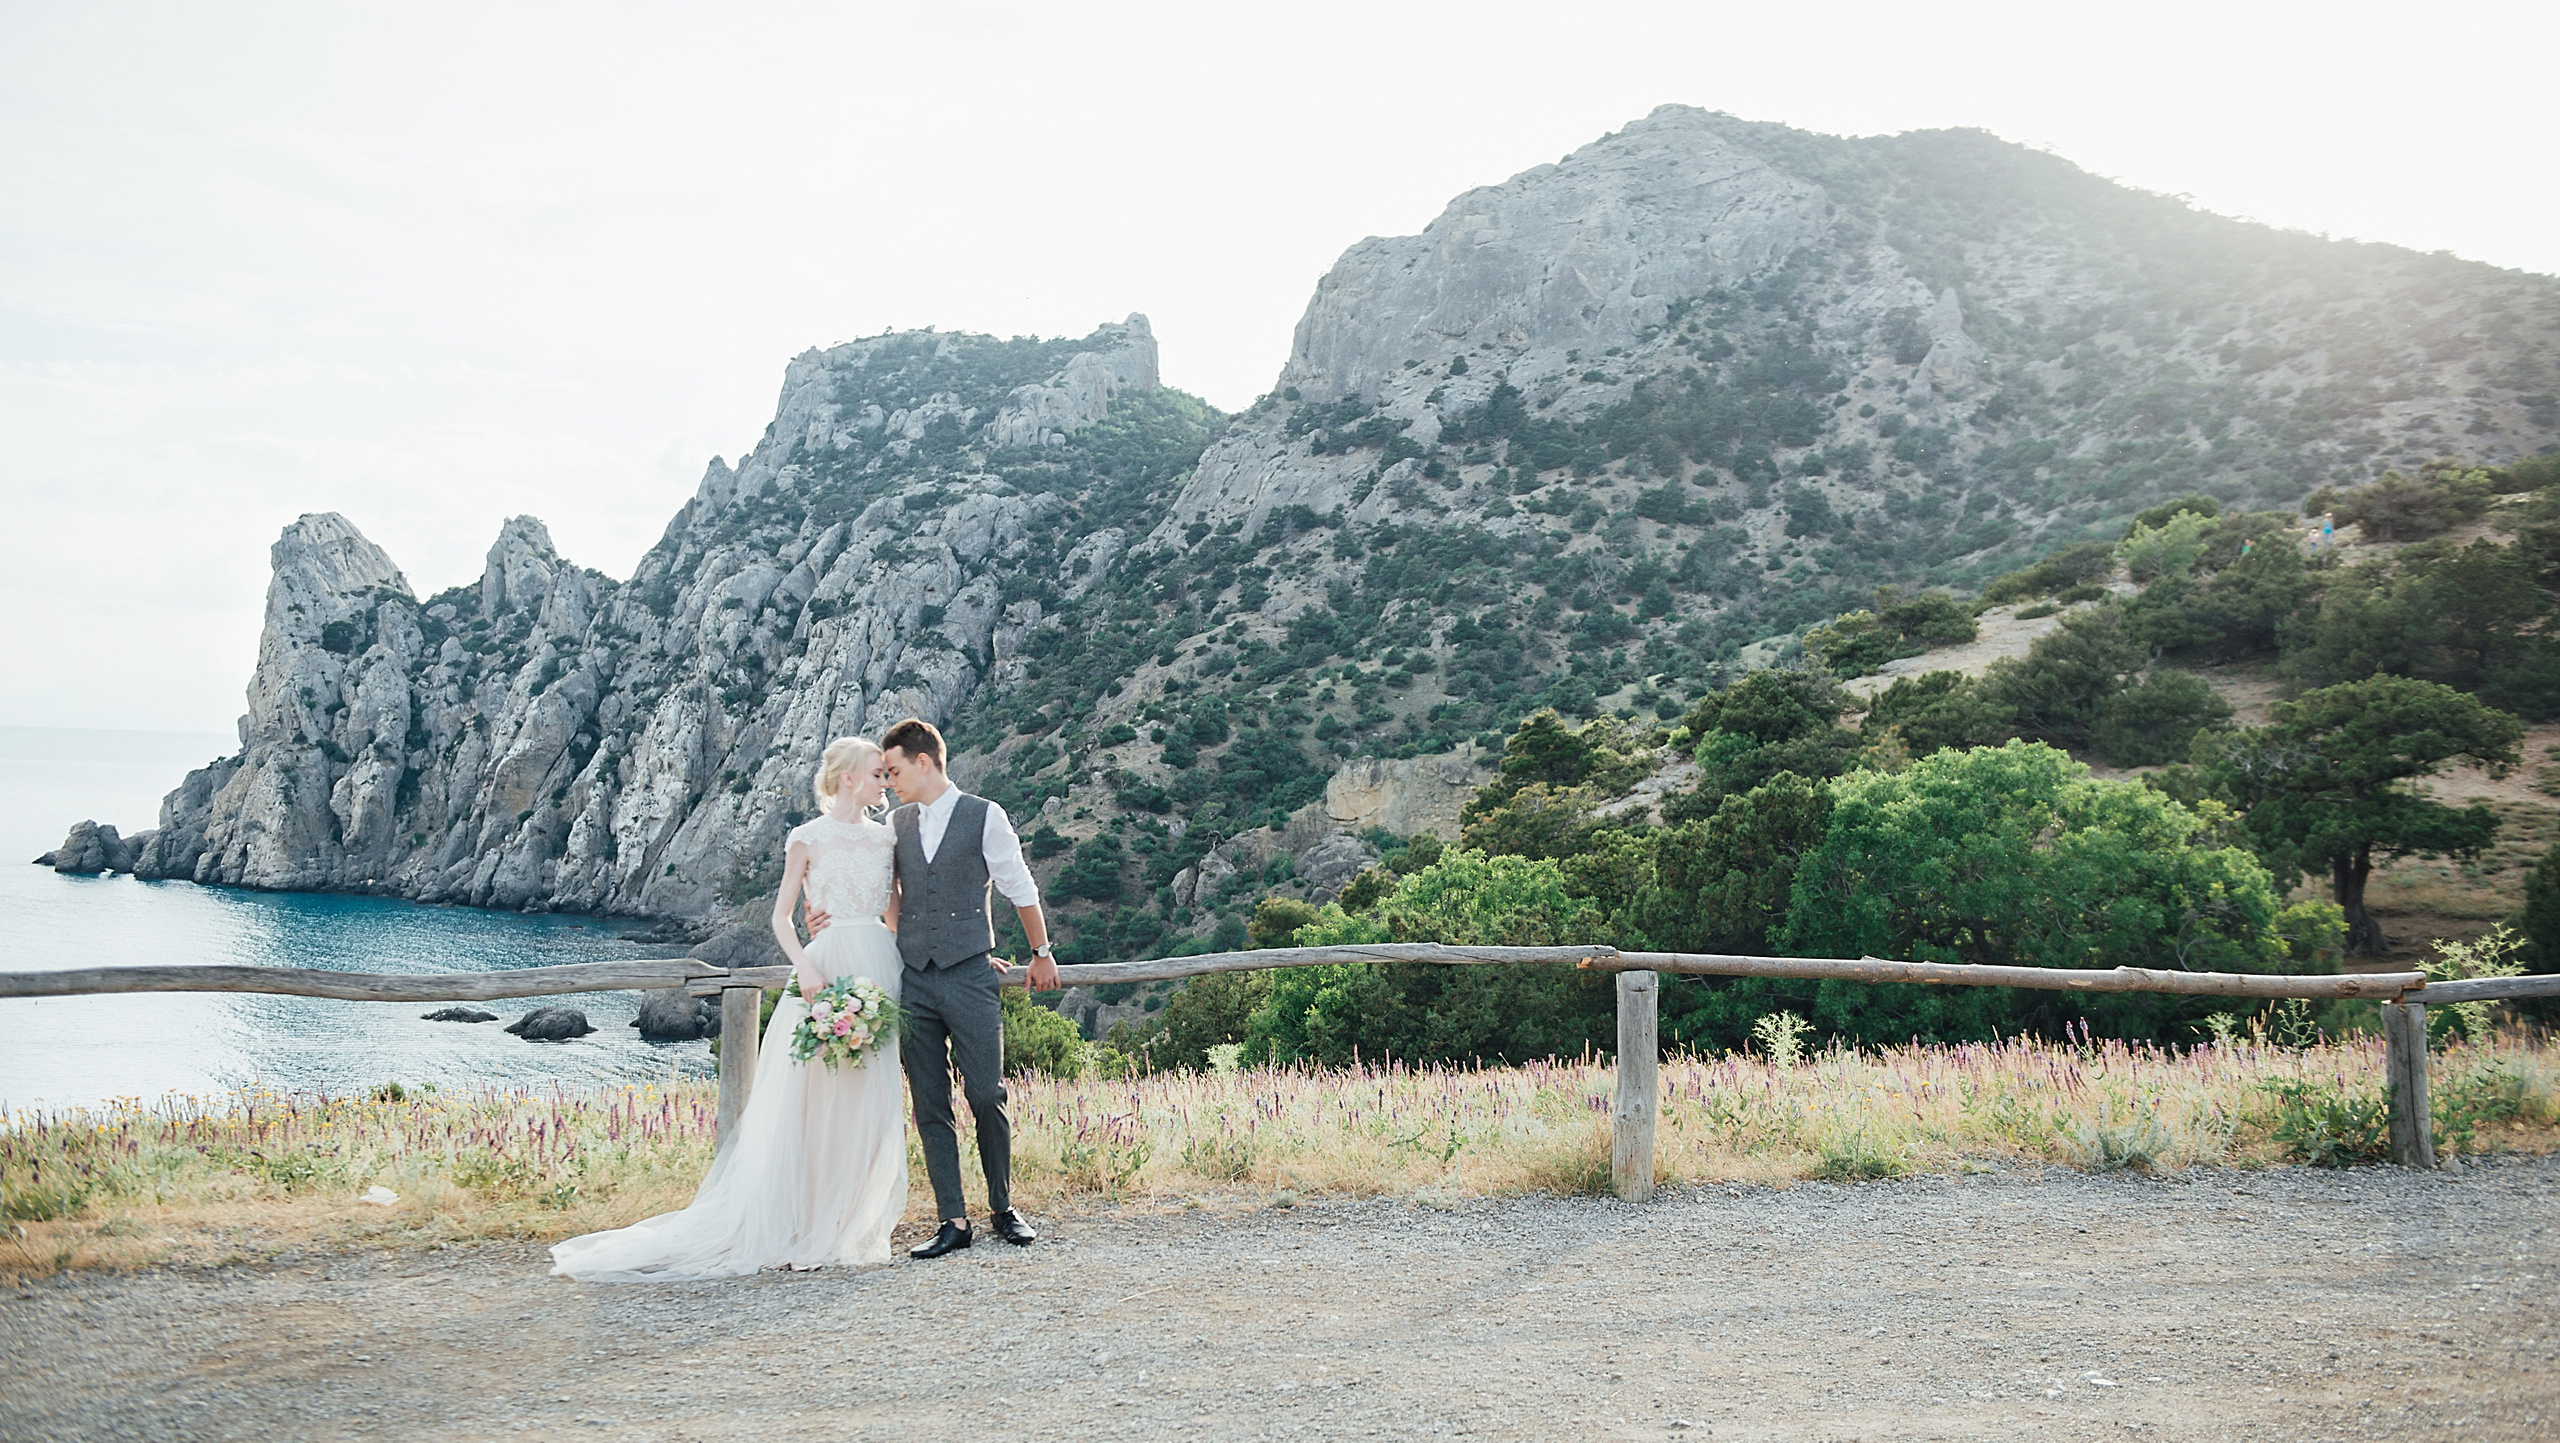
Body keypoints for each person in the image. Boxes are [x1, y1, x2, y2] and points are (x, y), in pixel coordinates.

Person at [548, 738, 909, 1280]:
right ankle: (801, 1224)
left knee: (867, 1101)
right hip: (823, 969)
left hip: (880, 970)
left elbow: (896, 914)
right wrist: (806, 968)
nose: (885, 780)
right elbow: (782, 918)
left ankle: (845, 1225)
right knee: (808, 1102)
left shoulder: (887, 840)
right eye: (877, 772)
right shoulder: (806, 838)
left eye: (887, 773)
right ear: (847, 778)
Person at [815, 716, 1058, 1259]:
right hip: (912, 980)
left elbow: (1019, 886)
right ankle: (953, 1220)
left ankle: (1002, 1207)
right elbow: (880, 891)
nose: (890, 781)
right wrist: (825, 918)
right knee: (929, 1101)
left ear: (923, 762)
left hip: (971, 974)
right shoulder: (896, 824)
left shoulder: (984, 815)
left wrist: (1040, 953)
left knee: (986, 1093)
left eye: (895, 770)